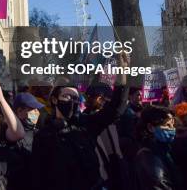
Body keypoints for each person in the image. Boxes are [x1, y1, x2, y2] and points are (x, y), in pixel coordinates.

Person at [31, 54, 129, 190]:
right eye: (66, 96)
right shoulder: (43, 136)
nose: (72, 101)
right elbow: (38, 177)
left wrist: (122, 72)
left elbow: (116, 108)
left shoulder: (87, 124)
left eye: (75, 98)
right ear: (54, 99)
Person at [134, 105, 183, 190]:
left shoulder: (165, 151)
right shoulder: (150, 159)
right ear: (150, 127)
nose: (172, 129)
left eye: (172, 125)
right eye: (167, 125)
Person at [8, 92, 43, 190]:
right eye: (32, 109)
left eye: (37, 109)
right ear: (19, 111)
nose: (36, 112)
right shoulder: (10, 134)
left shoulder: (38, 133)